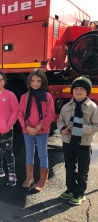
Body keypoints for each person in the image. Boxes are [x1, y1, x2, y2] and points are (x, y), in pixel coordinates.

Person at [57, 77, 98, 206]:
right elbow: (60, 120)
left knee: (82, 170)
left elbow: (96, 126)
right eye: (76, 89)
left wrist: (80, 128)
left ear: (87, 92)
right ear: (72, 91)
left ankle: (80, 192)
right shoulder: (66, 106)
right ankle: (70, 189)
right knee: (69, 167)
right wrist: (62, 128)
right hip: (68, 141)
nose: (78, 91)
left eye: (82, 89)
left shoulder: (93, 108)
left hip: (84, 143)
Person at [18, 69, 55, 191]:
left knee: (42, 154)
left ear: (42, 82)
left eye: (38, 81)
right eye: (33, 80)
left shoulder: (47, 96)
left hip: (42, 130)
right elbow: (20, 113)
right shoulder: (24, 97)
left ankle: (43, 179)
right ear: (29, 82)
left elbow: (50, 114)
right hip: (27, 130)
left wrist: (39, 127)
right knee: (29, 153)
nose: (35, 83)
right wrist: (27, 127)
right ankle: (29, 177)